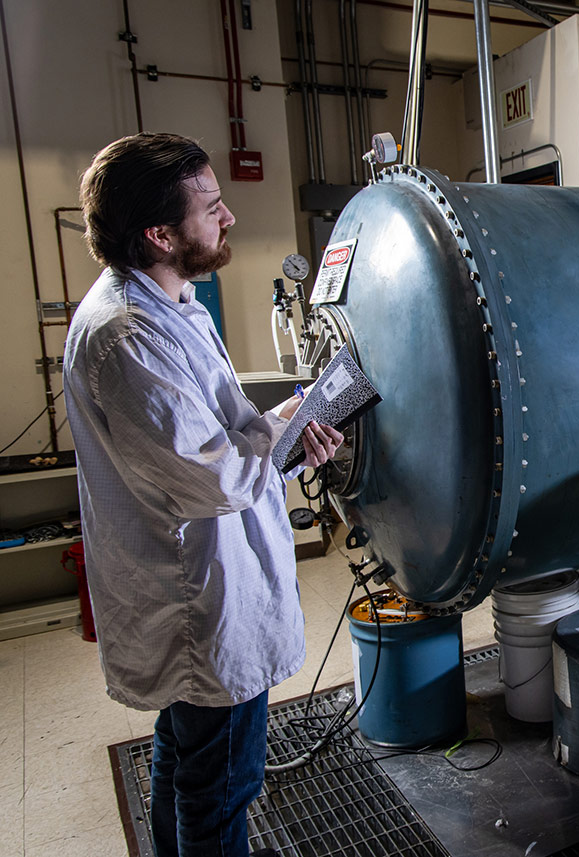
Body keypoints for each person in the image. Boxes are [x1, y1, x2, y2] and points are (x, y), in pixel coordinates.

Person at [63, 132, 343, 857]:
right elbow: (212, 475)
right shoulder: (125, 335)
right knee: (219, 787)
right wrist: (285, 436)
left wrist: (292, 417)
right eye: (212, 207)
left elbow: (220, 430)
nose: (229, 219)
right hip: (200, 595)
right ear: (159, 232)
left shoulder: (171, 300)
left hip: (205, 578)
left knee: (185, 753)